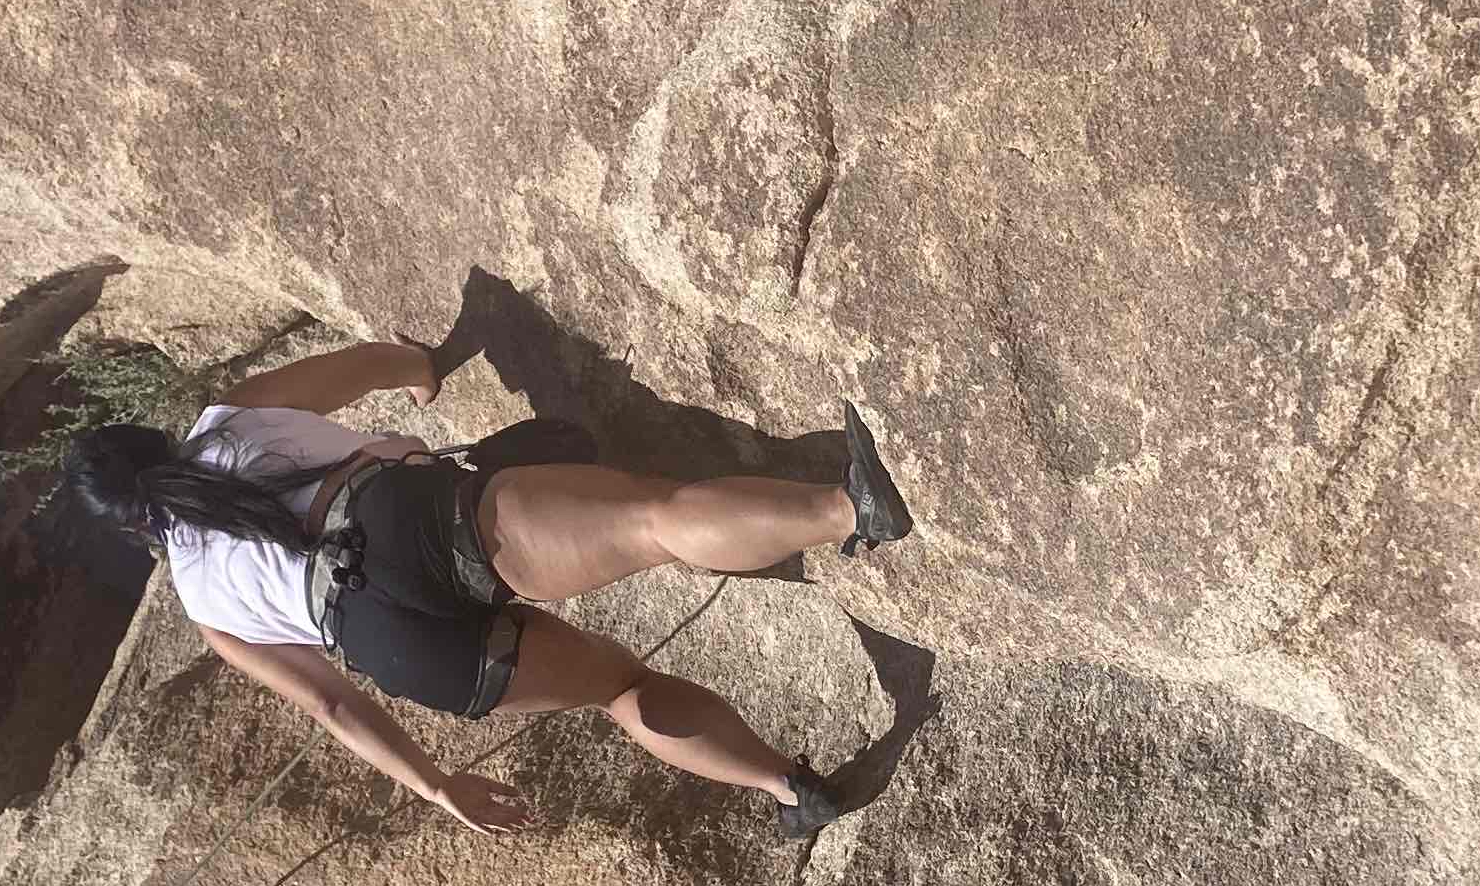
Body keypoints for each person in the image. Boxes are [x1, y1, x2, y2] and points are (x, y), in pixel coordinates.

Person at [57, 334, 912, 840]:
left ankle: (790, 792)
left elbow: (332, 704)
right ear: (154, 440)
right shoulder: (229, 420)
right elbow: (383, 364)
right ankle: (847, 509)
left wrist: (438, 787)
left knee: (620, 690)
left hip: (392, 644)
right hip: (405, 524)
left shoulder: (204, 606)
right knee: (650, 520)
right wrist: (422, 369)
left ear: (137, 527)